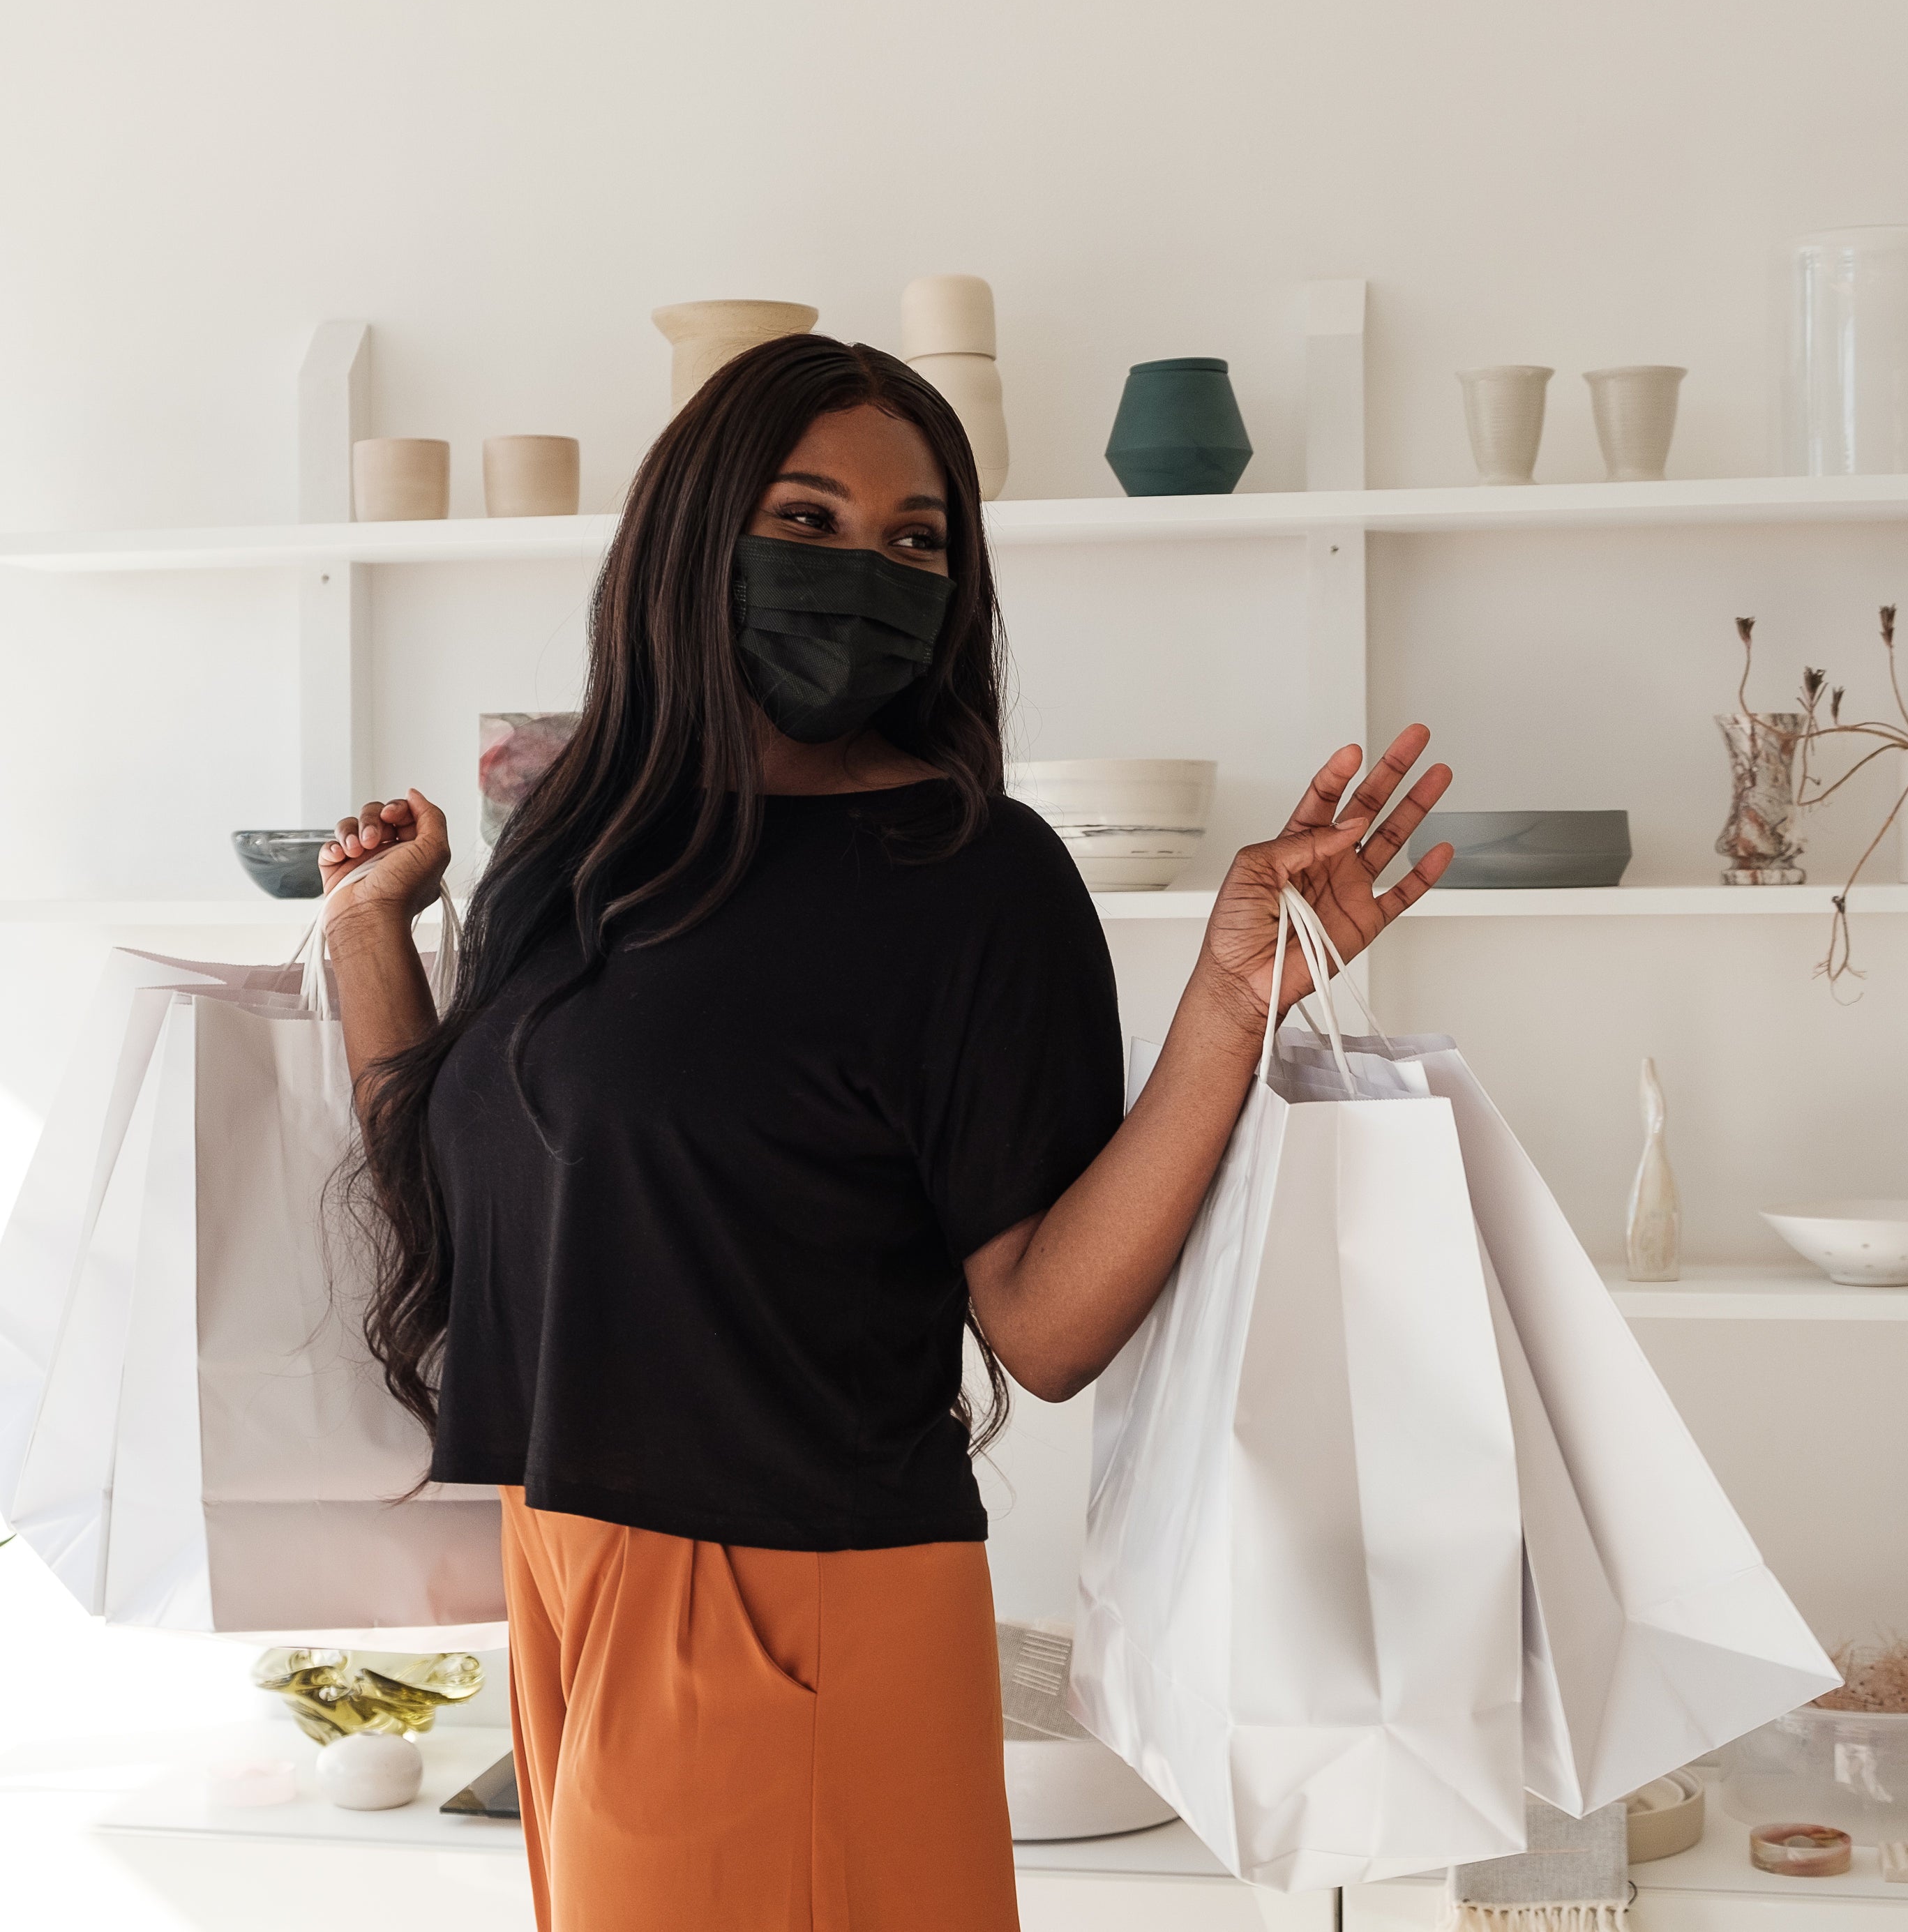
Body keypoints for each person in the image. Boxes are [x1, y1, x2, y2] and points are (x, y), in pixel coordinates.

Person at [317, 334, 1450, 1931]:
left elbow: (1043, 1325)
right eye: (808, 520)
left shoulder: (974, 879)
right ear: (693, 539)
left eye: (916, 540)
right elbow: (450, 1183)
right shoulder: (578, 854)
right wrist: (375, 924)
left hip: (793, 1594)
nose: (864, 571)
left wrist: (1223, 1002)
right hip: (568, 1560)